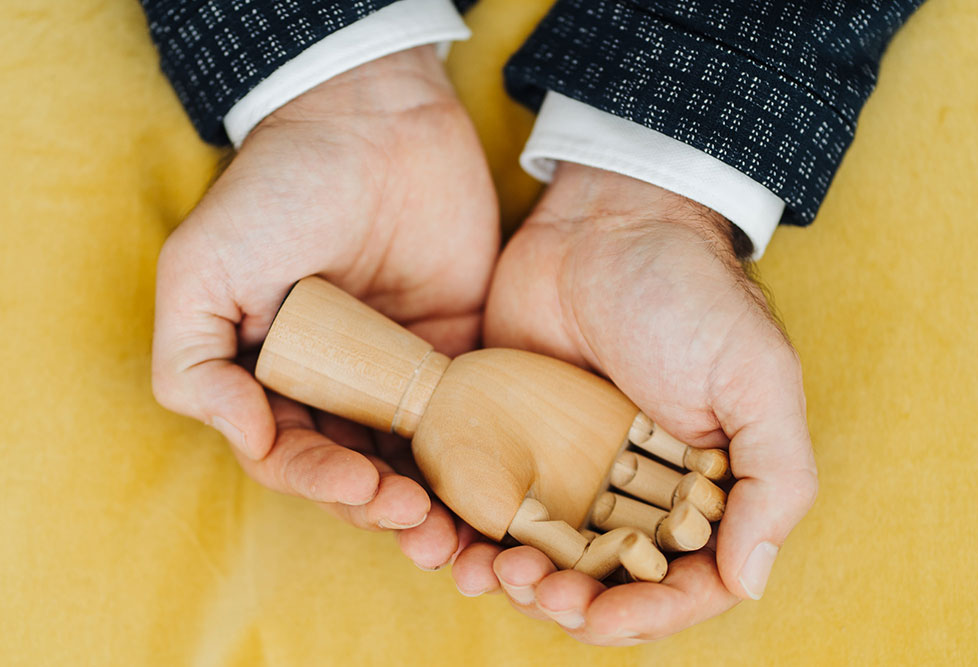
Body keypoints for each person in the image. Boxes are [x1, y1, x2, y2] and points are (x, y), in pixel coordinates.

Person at [142, 0, 924, 645]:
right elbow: (531, 514)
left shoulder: (462, 422)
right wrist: (339, 90)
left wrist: (650, 188)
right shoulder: (460, 428)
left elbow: (528, 512)